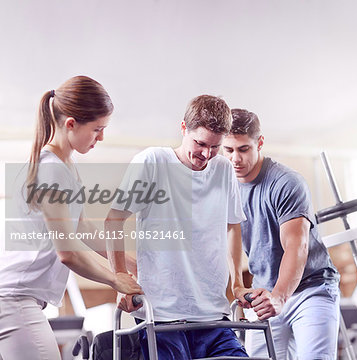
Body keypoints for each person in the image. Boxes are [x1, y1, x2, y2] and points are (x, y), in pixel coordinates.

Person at [0, 76, 142, 360]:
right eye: (97, 129)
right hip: (14, 300)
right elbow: (68, 253)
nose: (101, 137)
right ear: (70, 124)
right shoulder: (51, 170)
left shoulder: (64, 166)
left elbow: (83, 228)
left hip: (20, 299)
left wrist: (129, 264)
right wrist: (115, 280)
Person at [105, 95, 248, 359]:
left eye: (215, 146)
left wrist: (237, 284)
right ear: (184, 128)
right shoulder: (152, 162)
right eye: (200, 143)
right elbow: (113, 220)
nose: (206, 154)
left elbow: (232, 227)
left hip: (214, 313)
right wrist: (120, 279)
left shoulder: (224, 170)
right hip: (161, 314)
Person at [223, 108, 341, 360]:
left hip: (311, 289)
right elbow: (231, 235)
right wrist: (237, 284)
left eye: (243, 149)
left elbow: (296, 246)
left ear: (259, 143)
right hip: (263, 294)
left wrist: (279, 297)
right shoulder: (226, 187)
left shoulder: (286, 182)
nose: (235, 159)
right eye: (228, 150)